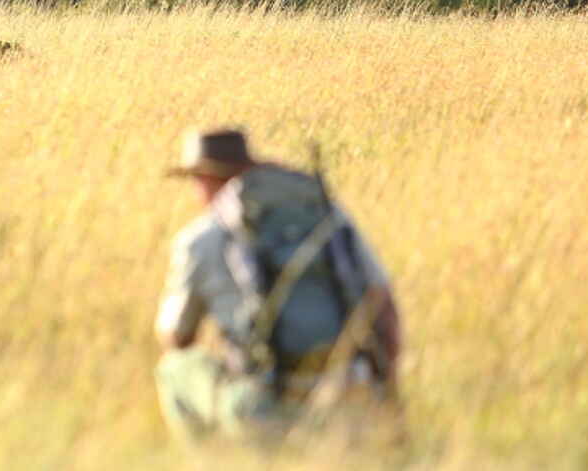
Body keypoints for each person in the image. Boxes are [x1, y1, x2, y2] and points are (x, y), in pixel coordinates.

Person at [154, 128, 403, 444]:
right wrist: (389, 397)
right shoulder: (331, 217)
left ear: (205, 180)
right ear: (250, 169)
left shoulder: (201, 239)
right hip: (350, 395)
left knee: (174, 369)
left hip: (263, 407)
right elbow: (384, 307)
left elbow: (176, 336)